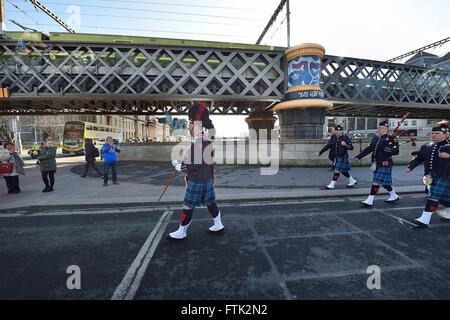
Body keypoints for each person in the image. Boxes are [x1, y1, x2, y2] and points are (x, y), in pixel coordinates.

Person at [167, 102, 224, 240]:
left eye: (189, 122)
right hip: (207, 179)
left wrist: (178, 166)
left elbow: (195, 163)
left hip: (198, 180)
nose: (188, 126)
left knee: (187, 205)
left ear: (195, 124)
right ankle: (218, 225)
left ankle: (182, 231)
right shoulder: (204, 138)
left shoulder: (200, 140)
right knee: (210, 203)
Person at [407, 124, 450, 228]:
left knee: (433, 196)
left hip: (445, 175)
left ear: (446, 134)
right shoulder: (426, 146)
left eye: (437, 133)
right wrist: (410, 167)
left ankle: (424, 219)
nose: (434, 135)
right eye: (433, 133)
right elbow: (419, 158)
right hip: (431, 176)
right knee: (445, 199)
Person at [355, 120, 400, 207]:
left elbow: (396, 151)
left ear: (386, 129)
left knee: (376, 180)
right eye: (379, 128)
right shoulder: (375, 138)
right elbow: (369, 149)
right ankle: (394, 195)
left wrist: (387, 149)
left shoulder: (391, 138)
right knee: (384, 183)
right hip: (376, 163)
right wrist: (359, 156)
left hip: (385, 163)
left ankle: (370, 199)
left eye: (382, 128)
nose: (379, 130)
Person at [322, 125, 358, 190]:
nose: (338, 132)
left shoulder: (345, 137)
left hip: (343, 156)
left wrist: (345, 144)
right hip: (336, 156)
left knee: (337, 170)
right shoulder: (334, 137)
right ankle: (352, 180)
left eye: (339, 131)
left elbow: (351, 147)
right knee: (343, 171)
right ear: (335, 131)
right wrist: (320, 152)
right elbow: (328, 145)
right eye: (336, 131)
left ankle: (332, 184)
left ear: (341, 131)